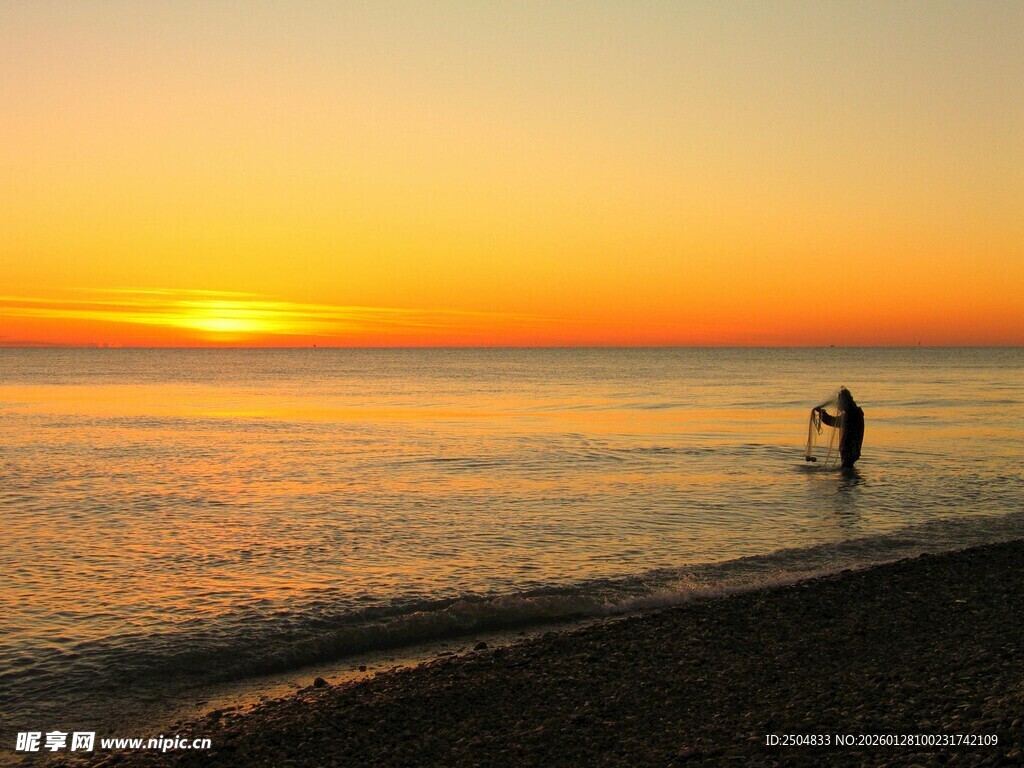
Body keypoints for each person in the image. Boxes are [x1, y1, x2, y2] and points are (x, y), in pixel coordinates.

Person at [813, 387, 864, 468]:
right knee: (848, 472)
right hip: (852, 450)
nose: (838, 404)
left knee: (846, 470)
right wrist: (822, 413)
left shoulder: (852, 414)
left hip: (850, 449)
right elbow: (836, 421)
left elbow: (834, 422)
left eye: (840, 401)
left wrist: (822, 413)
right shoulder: (854, 412)